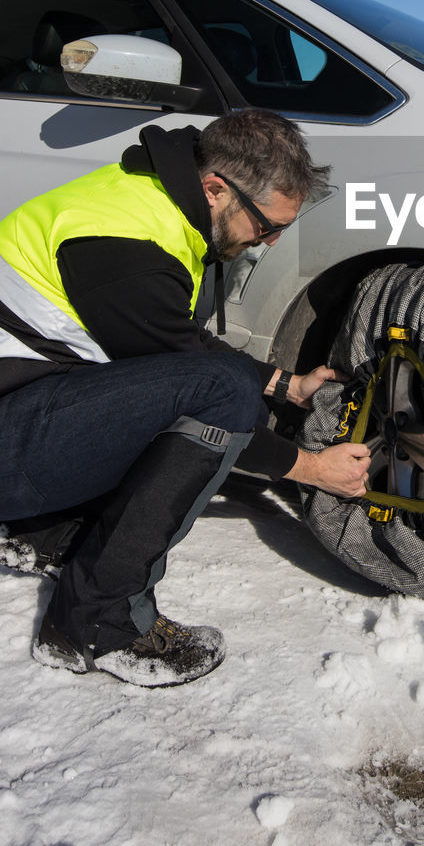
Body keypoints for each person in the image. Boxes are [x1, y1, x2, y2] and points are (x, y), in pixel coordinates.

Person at [0, 108, 370, 687]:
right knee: (222, 399)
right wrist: (311, 469)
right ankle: (98, 625)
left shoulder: (151, 200)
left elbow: (178, 341)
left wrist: (283, 385)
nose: (267, 242)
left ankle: (38, 529)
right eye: (266, 225)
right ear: (216, 188)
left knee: (219, 388)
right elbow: (200, 388)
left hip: (21, 403)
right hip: (10, 433)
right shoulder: (121, 247)